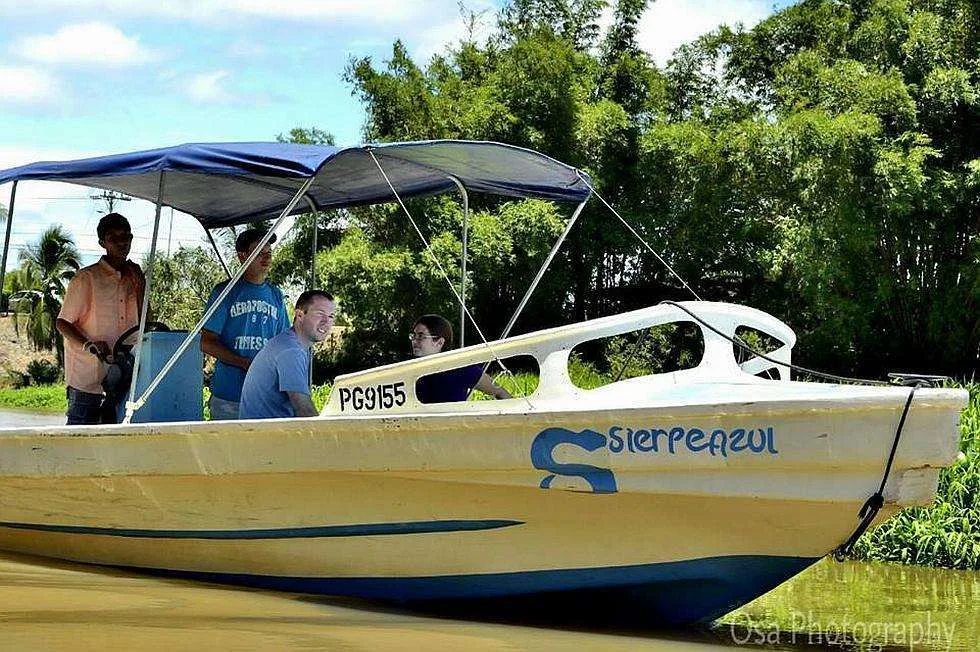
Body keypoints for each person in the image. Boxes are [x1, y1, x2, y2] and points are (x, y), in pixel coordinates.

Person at [56, 213, 145, 425]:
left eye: (126, 236)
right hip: (88, 378)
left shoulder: (134, 277)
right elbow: (62, 323)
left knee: (116, 443)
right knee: (79, 442)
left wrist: (140, 286)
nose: (122, 242)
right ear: (102, 243)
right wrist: (89, 345)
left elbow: (144, 323)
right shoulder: (86, 278)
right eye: (114, 237)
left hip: (125, 376)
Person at [201, 229, 290, 420]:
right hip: (230, 399)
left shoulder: (277, 296)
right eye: (259, 253)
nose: (266, 259)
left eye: (269, 253)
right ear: (243, 256)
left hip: (267, 397)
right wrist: (243, 363)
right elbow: (206, 342)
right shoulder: (224, 292)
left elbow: (286, 343)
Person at [239, 290, 335, 419]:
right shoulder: (290, 350)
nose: (326, 321)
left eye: (331, 316)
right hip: (265, 435)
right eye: (320, 314)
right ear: (300, 315)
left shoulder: (291, 343)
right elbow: (303, 409)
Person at [411, 314, 512, 403]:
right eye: (413, 336)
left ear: (440, 342)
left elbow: (500, 393)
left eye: (420, 336)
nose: (414, 341)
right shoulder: (408, 370)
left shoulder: (460, 368)